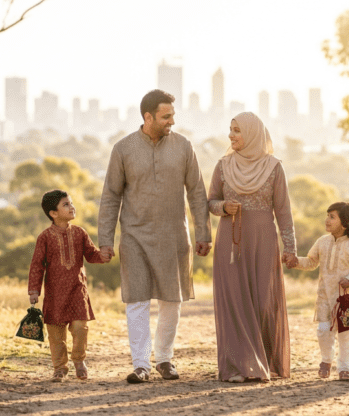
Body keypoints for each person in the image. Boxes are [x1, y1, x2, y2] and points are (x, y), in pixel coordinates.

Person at [98, 89, 212, 384]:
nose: (172, 121)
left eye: (173, 115)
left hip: (174, 235)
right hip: (134, 236)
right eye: (166, 116)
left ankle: (164, 359)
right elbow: (111, 196)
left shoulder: (184, 146)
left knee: (171, 300)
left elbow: (197, 192)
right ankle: (140, 364)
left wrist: (204, 232)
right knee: (136, 300)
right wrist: (106, 240)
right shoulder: (123, 149)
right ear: (148, 117)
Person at [207, 112, 297, 383]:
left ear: (253, 134)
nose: (231, 135)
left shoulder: (273, 167)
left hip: (263, 241)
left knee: (263, 301)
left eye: (237, 130)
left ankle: (265, 363)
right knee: (233, 301)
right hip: (230, 242)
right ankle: (236, 366)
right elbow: (210, 201)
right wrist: (223, 207)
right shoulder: (223, 165)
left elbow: (283, 211)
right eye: (230, 130)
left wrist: (290, 247)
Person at [28, 189, 106, 382]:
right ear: (53, 214)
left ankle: (79, 360)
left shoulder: (80, 233)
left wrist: (103, 255)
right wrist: (34, 290)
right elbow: (37, 265)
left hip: (77, 290)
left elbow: (91, 255)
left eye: (71, 203)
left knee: (81, 327)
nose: (72, 207)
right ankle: (60, 368)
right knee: (56, 334)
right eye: (66, 205)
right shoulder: (45, 237)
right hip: (54, 293)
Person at [287, 201, 349, 381]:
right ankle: (326, 361)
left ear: (345, 222)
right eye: (327, 215)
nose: (327, 220)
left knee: (347, 335)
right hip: (324, 299)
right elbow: (311, 262)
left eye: (332, 217)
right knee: (324, 331)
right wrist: (295, 262)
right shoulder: (322, 242)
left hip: (346, 300)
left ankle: (345, 369)